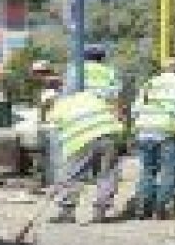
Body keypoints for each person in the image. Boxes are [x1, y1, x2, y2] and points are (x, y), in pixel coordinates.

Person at [131, 58, 175, 220]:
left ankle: (143, 207)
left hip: (144, 129)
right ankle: (162, 208)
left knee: (148, 170)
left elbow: (136, 109)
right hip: (168, 130)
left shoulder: (149, 83)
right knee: (169, 169)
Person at [48, 87, 124, 224]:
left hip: (81, 140)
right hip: (108, 135)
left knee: (74, 175)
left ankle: (67, 211)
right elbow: (114, 114)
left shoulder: (59, 105)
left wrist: (58, 178)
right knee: (107, 174)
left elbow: (54, 133)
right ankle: (100, 211)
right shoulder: (93, 97)